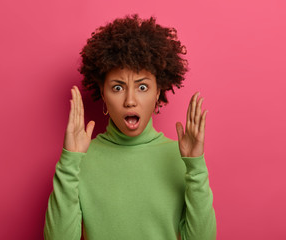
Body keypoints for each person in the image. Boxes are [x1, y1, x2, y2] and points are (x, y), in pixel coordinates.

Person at [44, 14, 216, 240]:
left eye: (142, 87)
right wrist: (69, 162)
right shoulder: (80, 159)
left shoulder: (180, 157)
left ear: (158, 92)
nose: (130, 100)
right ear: (103, 94)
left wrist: (196, 167)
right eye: (117, 88)